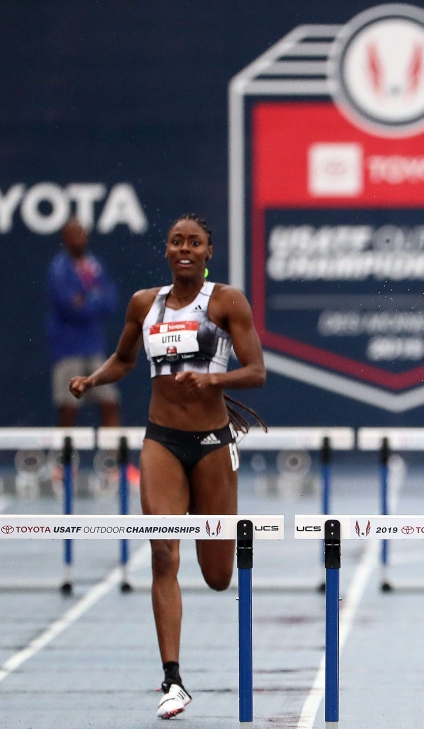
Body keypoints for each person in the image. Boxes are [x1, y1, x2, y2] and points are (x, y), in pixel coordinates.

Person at [68, 214, 266, 719]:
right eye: (177, 241)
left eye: (194, 242)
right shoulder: (143, 304)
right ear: (167, 250)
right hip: (161, 442)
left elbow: (257, 372)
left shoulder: (226, 302)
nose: (185, 248)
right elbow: (124, 359)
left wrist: (215, 383)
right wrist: (92, 380)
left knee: (219, 575)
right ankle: (173, 680)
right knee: (163, 555)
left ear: (208, 252)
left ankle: (214, 545)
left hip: (212, 443)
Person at [48, 217, 120, 426]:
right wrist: (95, 297)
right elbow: (71, 308)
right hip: (68, 348)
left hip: (93, 348)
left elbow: (111, 301)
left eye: (81, 234)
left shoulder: (94, 264)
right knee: (68, 407)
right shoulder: (59, 268)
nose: (78, 239)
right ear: (65, 239)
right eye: (73, 235)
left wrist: (86, 298)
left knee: (110, 401)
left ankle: (116, 458)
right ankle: (63, 458)